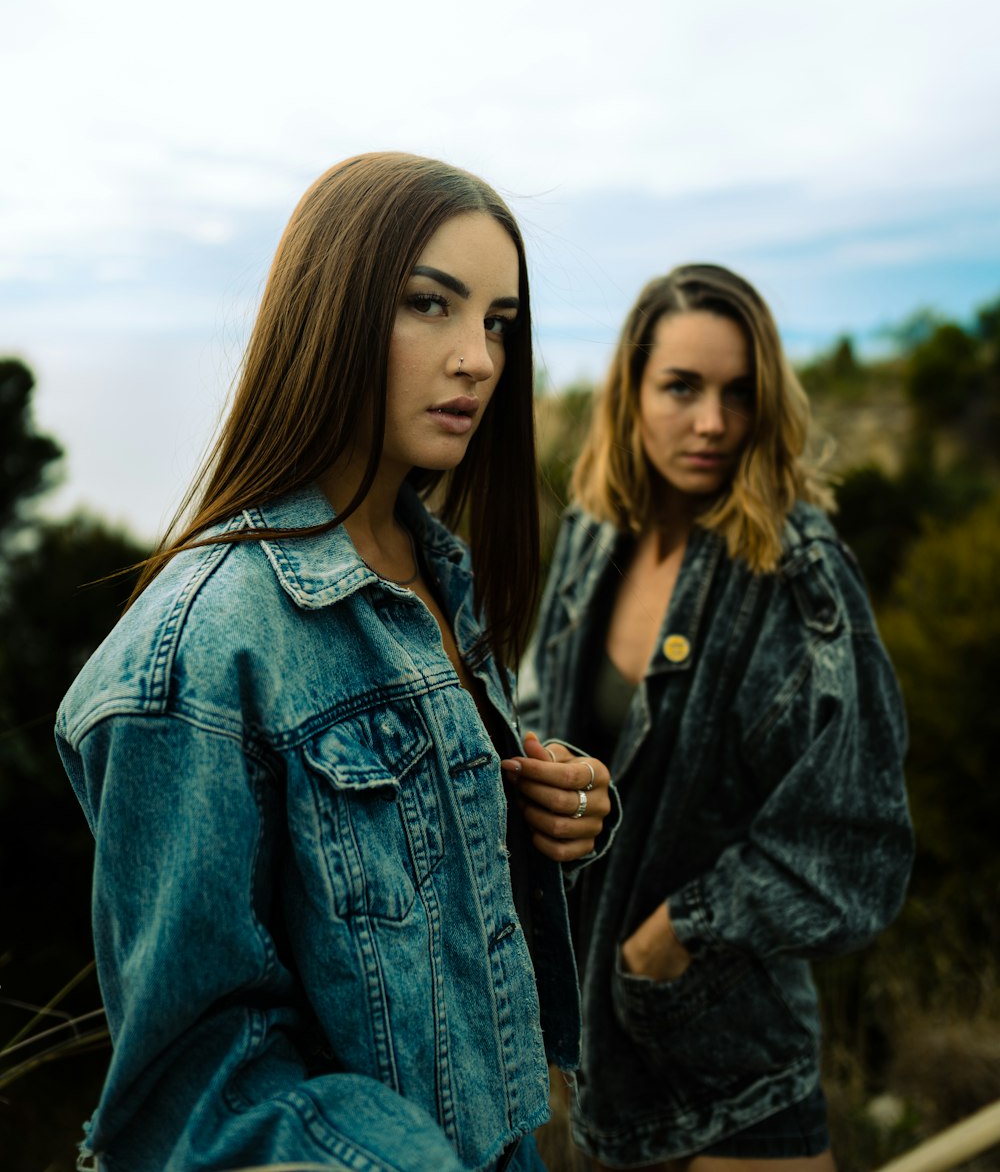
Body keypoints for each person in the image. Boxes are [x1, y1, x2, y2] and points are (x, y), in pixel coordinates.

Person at [56, 152, 613, 1172]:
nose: (480, 359)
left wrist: (562, 811)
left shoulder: (435, 573)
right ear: (331, 312)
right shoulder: (194, 659)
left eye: (496, 322)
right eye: (429, 305)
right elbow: (195, 1095)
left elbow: (416, 908)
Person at [524, 264, 913, 1171]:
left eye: (739, 394)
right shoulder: (593, 530)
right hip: (603, 1073)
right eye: (682, 388)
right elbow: (542, 702)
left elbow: (858, 840)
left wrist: (681, 933)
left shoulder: (799, 573)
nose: (711, 423)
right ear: (630, 393)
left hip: (739, 1071)